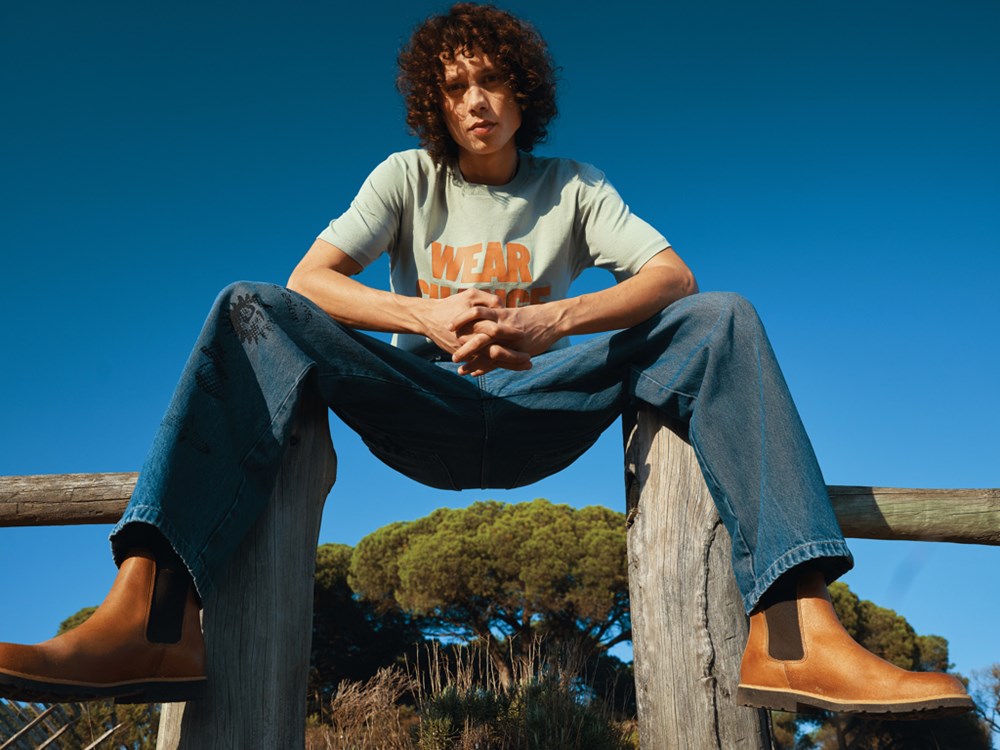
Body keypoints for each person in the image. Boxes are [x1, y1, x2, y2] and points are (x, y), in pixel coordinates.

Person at [0, 2, 973, 718]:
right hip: (417, 401)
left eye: (492, 81)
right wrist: (422, 316)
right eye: (456, 85)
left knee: (720, 317)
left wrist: (553, 323)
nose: (476, 100)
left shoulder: (574, 186)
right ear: (436, 100)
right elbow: (311, 279)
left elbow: (670, 275)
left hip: (546, 402)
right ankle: (152, 619)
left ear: (522, 93)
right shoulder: (405, 178)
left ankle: (795, 631)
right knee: (248, 306)